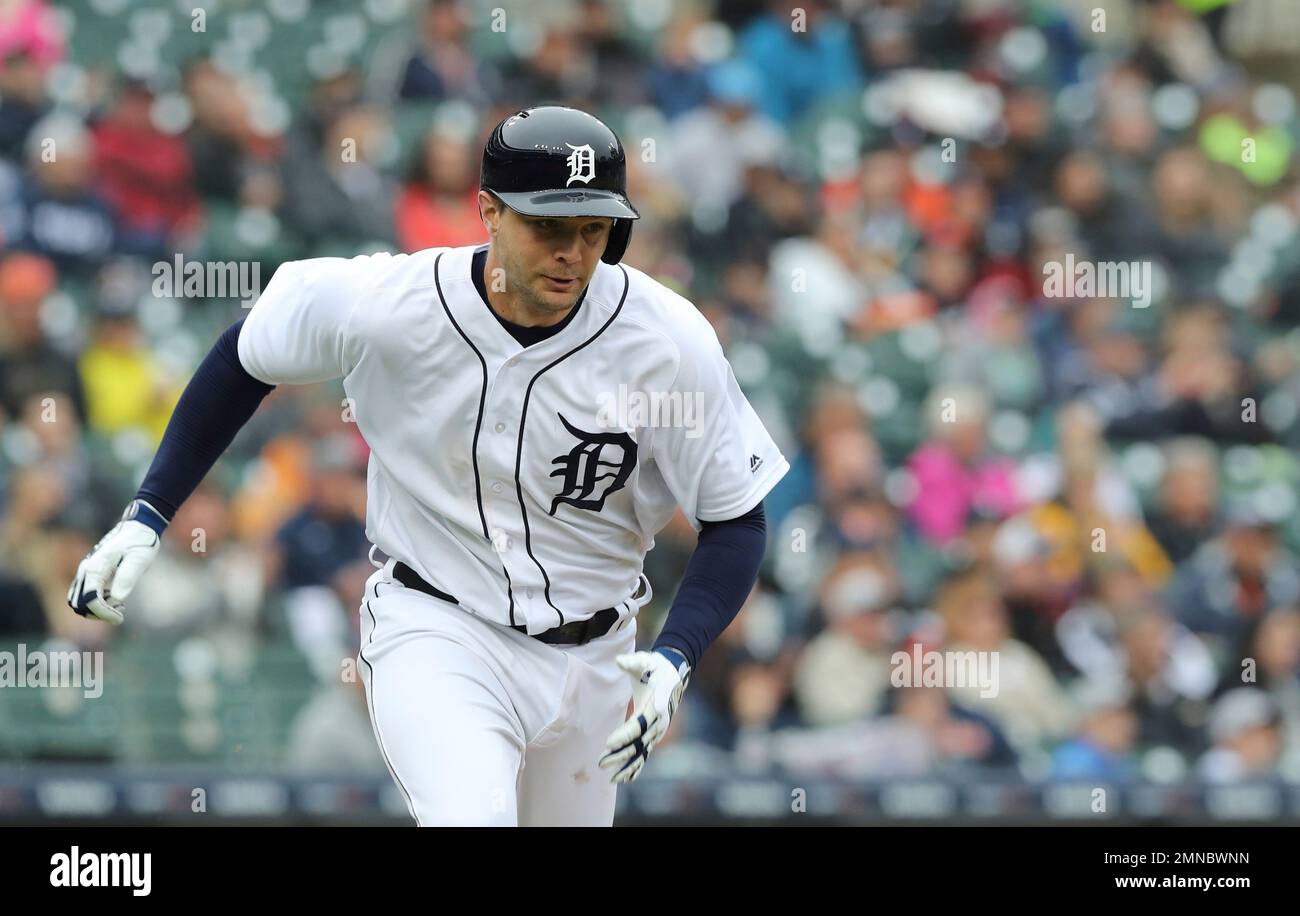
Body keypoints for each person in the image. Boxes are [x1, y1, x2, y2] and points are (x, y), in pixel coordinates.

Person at [66, 106, 788, 826]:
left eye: (592, 229)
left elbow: (735, 517)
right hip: (439, 625)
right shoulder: (392, 304)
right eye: (548, 225)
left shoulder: (665, 341)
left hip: (598, 655)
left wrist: (676, 654)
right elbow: (245, 354)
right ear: (488, 211)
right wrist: (149, 514)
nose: (573, 250)